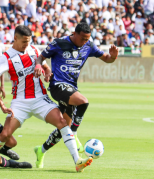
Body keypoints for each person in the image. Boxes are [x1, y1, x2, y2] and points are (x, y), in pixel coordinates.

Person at [0, 25, 92, 172]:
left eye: (29, 41)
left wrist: (47, 73)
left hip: (40, 99)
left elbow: (46, 67)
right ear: (15, 38)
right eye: (24, 41)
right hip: (20, 102)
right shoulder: (6, 57)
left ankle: (77, 161)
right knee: (5, 134)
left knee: (62, 122)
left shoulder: (34, 50)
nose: (27, 44)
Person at [34, 22, 119, 168]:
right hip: (57, 86)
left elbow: (106, 58)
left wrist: (113, 57)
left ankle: (41, 151)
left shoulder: (89, 46)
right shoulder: (59, 43)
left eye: (87, 39)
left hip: (71, 88)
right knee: (83, 102)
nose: (85, 42)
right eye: (83, 39)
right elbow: (40, 57)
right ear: (75, 34)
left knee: (63, 129)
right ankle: (74, 131)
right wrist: (38, 65)